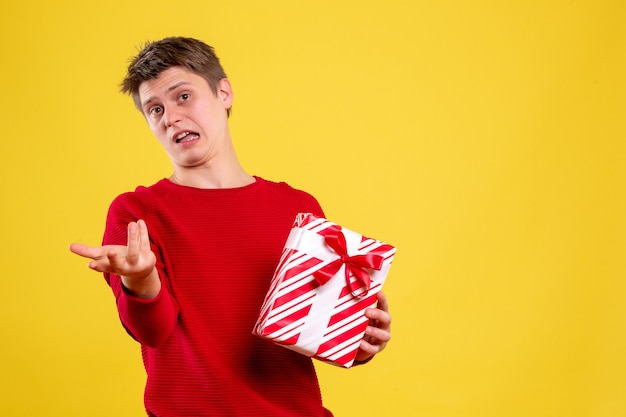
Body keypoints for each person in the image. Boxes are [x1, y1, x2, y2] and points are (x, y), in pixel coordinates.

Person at [69, 36, 391, 417]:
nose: (170, 116)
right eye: (155, 109)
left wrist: (360, 340)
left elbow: (312, 334)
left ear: (224, 93)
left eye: (182, 97)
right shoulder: (137, 213)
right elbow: (152, 333)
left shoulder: (298, 208)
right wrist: (141, 279)